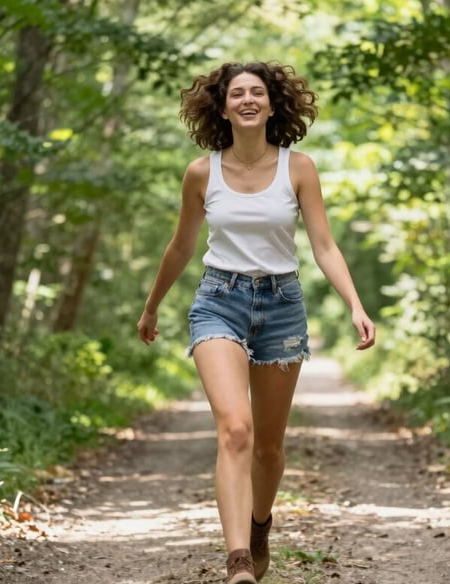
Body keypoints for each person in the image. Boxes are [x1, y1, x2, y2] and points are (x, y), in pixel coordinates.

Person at [137, 61, 376, 584]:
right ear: (222, 107)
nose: (247, 99)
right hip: (218, 299)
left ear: (272, 105)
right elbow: (181, 246)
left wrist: (355, 304)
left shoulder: (299, 168)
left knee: (268, 447)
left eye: (257, 93)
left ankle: (260, 523)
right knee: (236, 429)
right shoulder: (202, 173)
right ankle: (239, 561)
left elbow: (324, 245)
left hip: (282, 305)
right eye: (236, 93)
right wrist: (153, 304)